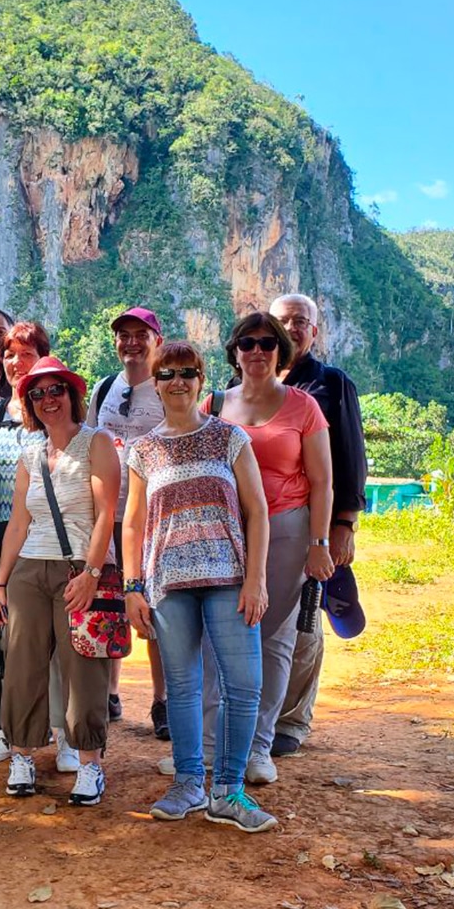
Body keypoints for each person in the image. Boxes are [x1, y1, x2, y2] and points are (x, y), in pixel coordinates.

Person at [122, 341, 277, 831]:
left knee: (244, 685)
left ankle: (228, 791)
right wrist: (132, 586)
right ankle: (189, 782)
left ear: (201, 379)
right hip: (169, 583)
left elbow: (257, 511)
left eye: (187, 373)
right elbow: (132, 523)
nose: (177, 382)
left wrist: (256, 579)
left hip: (229, 577)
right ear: (156, 382)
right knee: (183, 687)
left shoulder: (229, 438)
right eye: (166, 374)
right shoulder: (144, 449)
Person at [0, 358, 120, 805]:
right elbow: (18, 523)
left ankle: (90, 765)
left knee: (83, 668)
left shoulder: (96, 442)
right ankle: (22, 756)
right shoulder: (31, 451)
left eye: (55, 390)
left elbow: (106, 513)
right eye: (38, 394)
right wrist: (1, 583)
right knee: (22, 667)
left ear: (71, 394)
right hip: (30, 568)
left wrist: (91, 572)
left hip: (77, 570)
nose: (48, 400)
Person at [218, 312, 334, 786]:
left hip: (286, 528)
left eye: (268, 343)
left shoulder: (304, 407)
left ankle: (258, 746)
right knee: (220, 635)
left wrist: (320, 543)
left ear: (281, 351)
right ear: (235, 350)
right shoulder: (214, 404)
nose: (258, 351)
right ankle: (215, 744)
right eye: (248, 342)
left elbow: (323, 482)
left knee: (274, 640)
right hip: (227, 531)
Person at [0, 322, 77, 771]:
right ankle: (14, 730)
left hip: (51, 542)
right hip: (4, 541)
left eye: (26, 353)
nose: (16, 363)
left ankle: (65, 734)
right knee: (12, 644)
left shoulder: (55, 410)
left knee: (57, 643)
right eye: (9, 355)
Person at [266, 294, 367, 757]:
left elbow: (350, 457)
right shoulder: (249, 379)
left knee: (304, 617)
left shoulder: (330, 383)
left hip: (313, 521)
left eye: (300, 321)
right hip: (256, 524)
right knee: (261, 615)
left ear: (315, 331)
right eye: (282, 321)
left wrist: (343, 524)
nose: (291, 328)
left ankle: (291, 719)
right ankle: (256, 711)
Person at [86, 307, 169, 738]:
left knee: (153, 609)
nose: (131, 343)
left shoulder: (168, 388)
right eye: (123, 335)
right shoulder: (103, 389)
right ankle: (109, 693)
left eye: (141, 334)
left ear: (157, 338)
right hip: (109, 515)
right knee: (108, 606)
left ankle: (163, 701)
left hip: (155, 517)